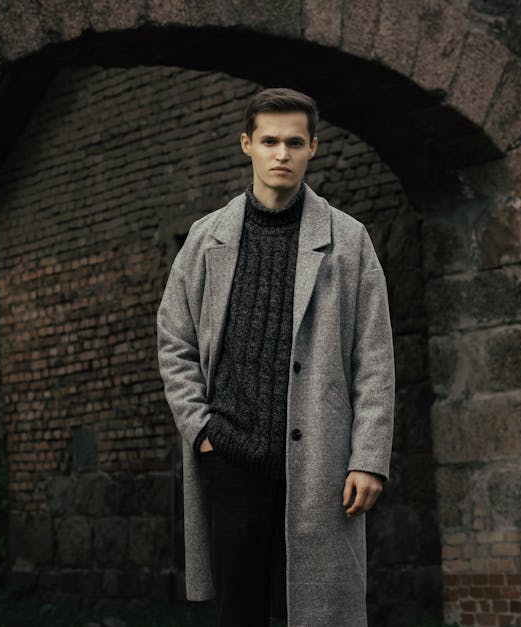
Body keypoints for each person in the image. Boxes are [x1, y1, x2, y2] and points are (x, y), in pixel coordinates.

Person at [157, 87, 394, 627]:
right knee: (239, 612)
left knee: (313, 612)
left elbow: (375, 358)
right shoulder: (205, 239)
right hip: (231, 456)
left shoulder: (349, 241)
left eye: (294, 142)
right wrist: (202, 429)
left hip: (321, 463)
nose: (281, 153)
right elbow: (174, 341)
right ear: (247, 144)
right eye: (269, 141)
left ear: (313, 147)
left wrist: (368, 458)